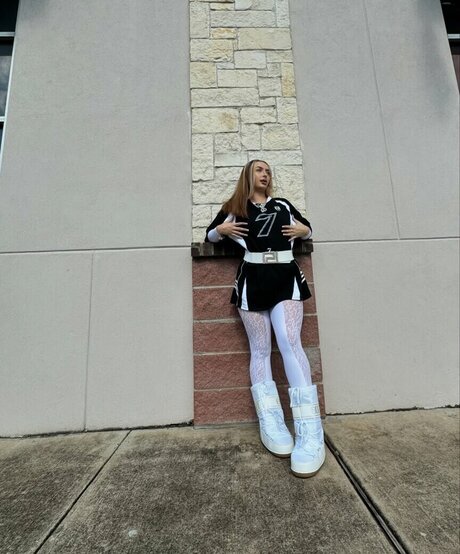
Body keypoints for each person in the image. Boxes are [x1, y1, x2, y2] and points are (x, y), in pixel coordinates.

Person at [205, 159, 325, 478]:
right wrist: (221, 230)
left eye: (268, 171)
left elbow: (307, 228)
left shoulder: (282, 204)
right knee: (260, 349)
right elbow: (211, 236)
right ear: (248, 175)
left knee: (289, 341)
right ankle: (271, 422)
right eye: (259, 170)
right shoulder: (235, 207)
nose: (265, 174)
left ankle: (310, 432)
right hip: (252, 278)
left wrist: (304, 230)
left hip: (285, 275)